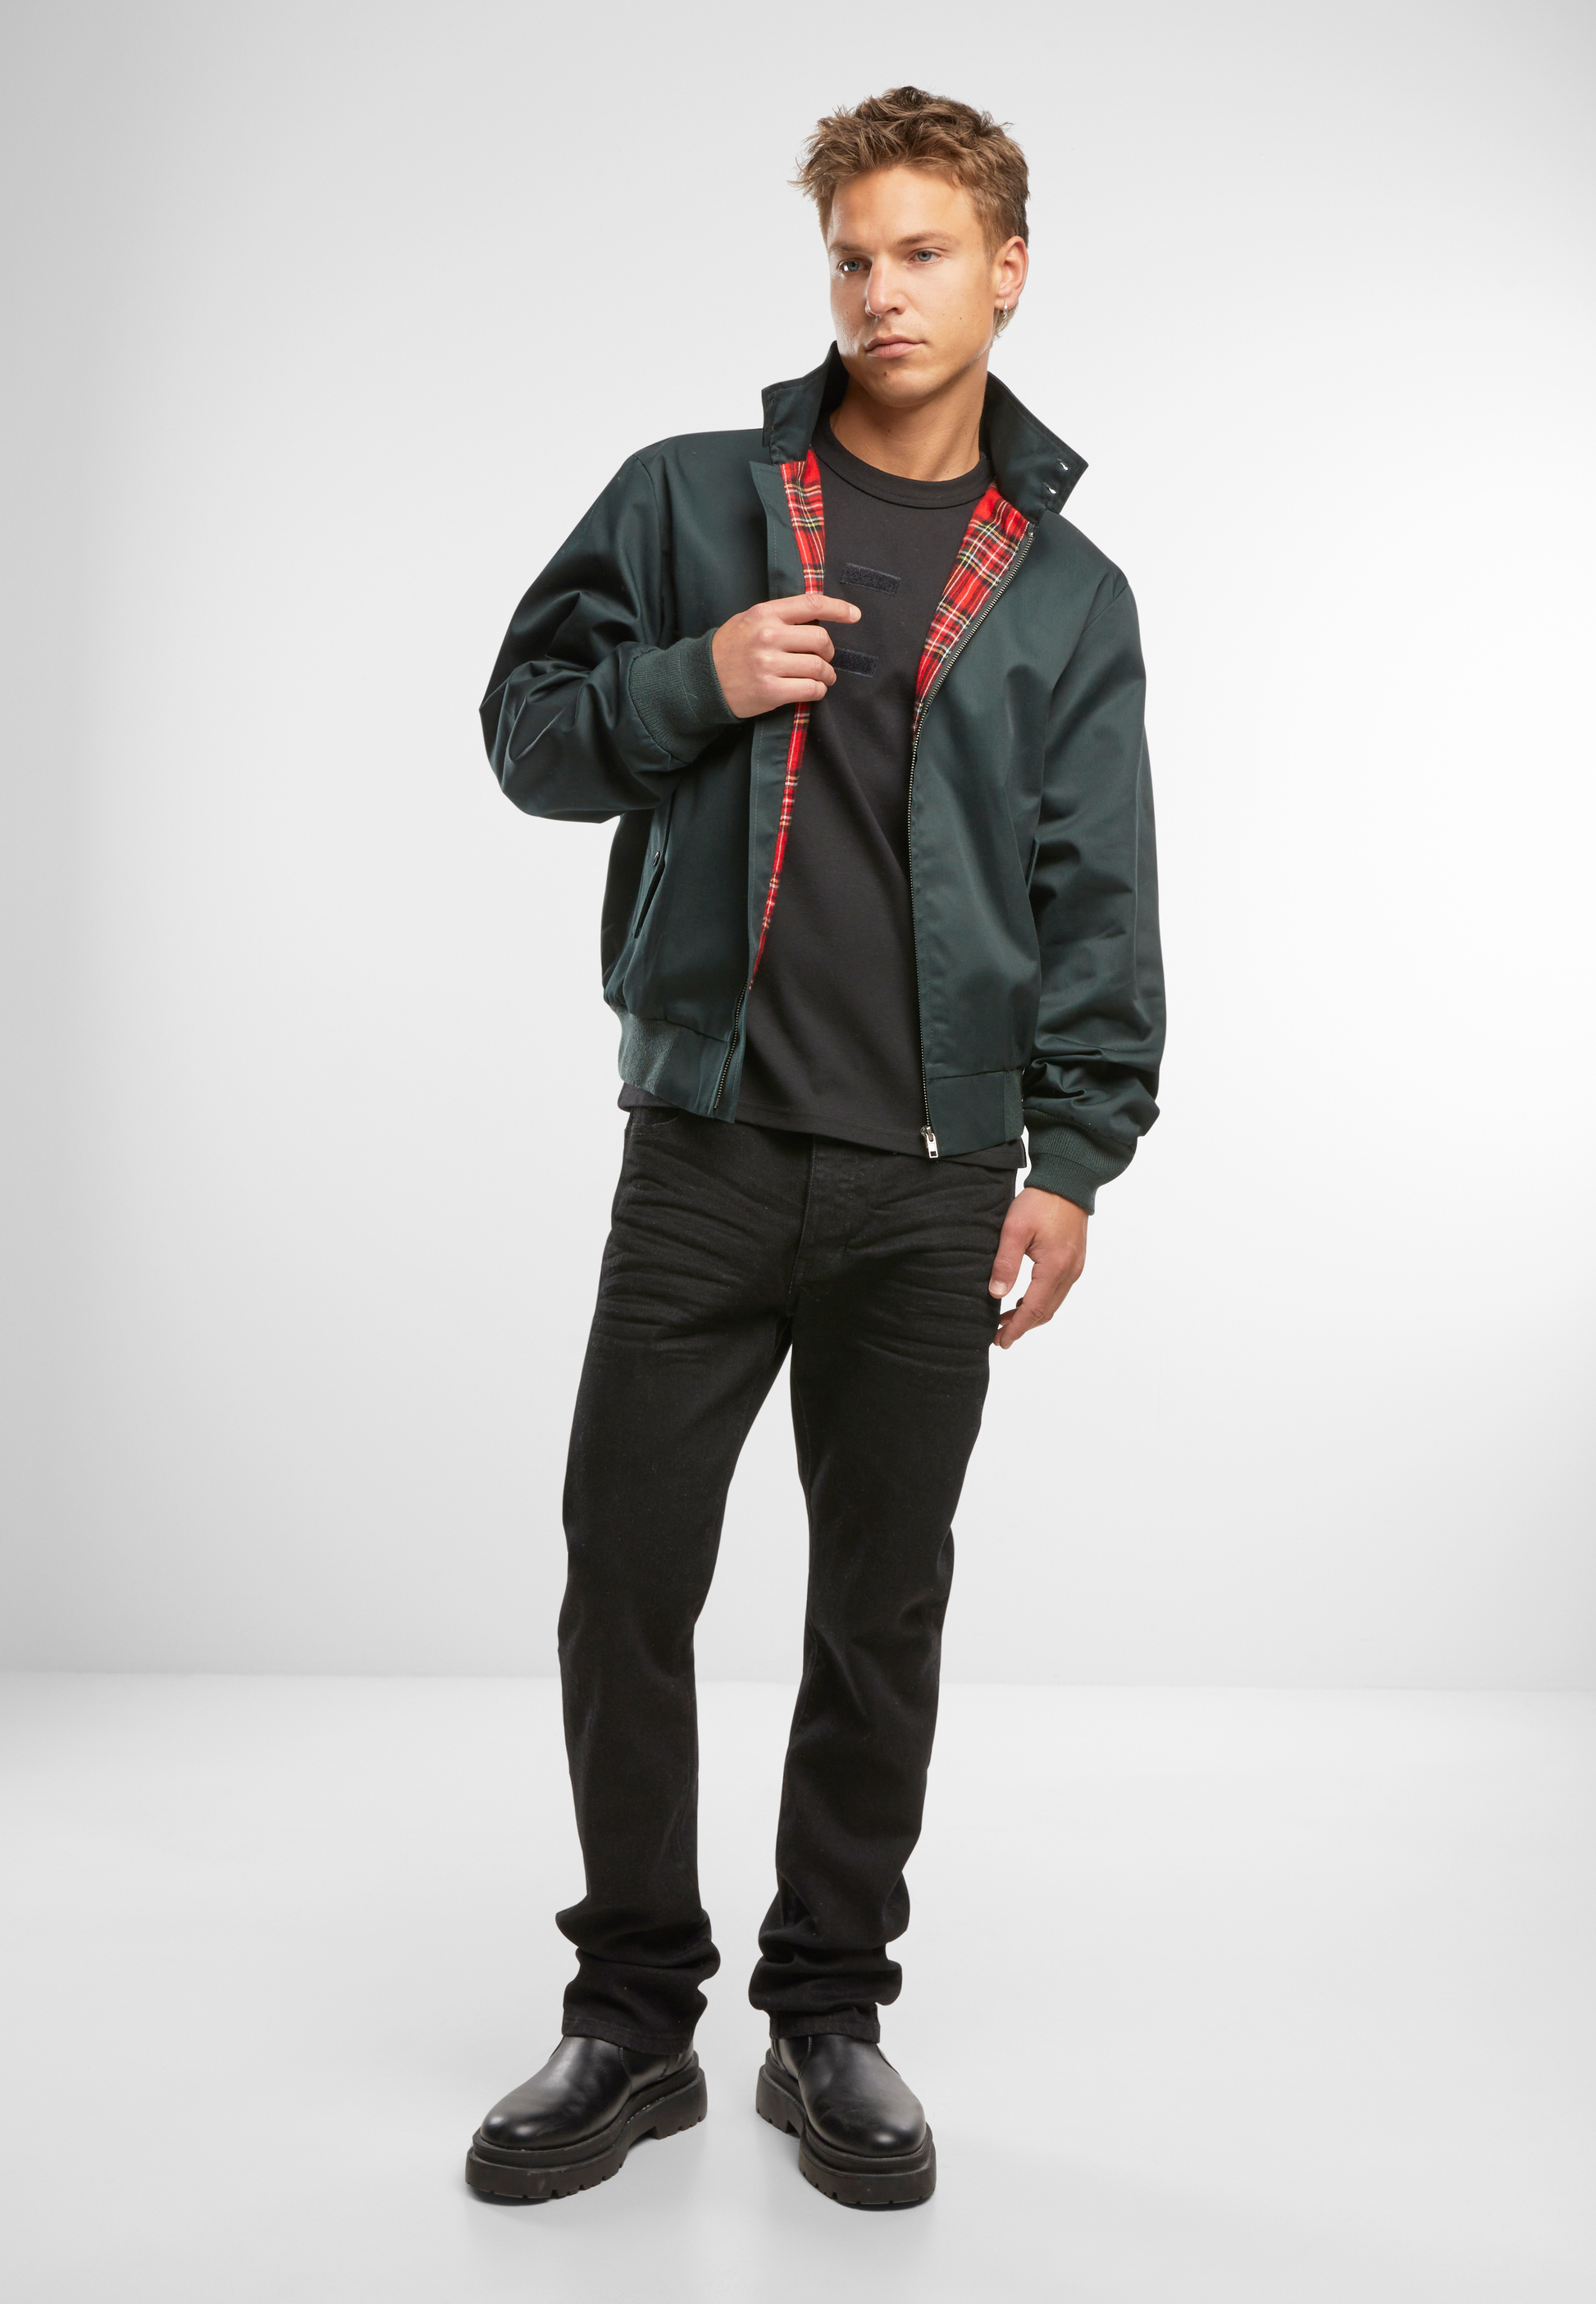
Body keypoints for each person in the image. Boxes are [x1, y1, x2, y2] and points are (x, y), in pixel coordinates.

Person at [466, 85, 1164, 2210]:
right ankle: (630, 2019)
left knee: (880, 1609)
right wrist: (697, 676)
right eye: (853, 256)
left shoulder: (1068, 593)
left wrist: (1074, 1157)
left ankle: (829, 2013)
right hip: (703, 1150)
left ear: (1006, 272)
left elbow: (1100, 892)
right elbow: (527, 733)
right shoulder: (692, 501)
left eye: (923, 252)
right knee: (625, 1582)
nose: (881, 291)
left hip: (935, 1183)